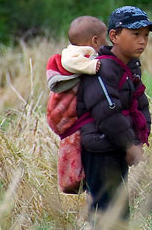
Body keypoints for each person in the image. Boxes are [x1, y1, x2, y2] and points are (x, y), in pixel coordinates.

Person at [76, 5, 152, 214]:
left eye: (146, 35)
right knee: (107, 215)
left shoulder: (131, 68)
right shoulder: (101, 69)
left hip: (115, 149)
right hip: (100, 151)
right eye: (135, 34)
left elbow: (141, 106)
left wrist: (137, 142)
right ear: (114, 36)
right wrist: (130, 144)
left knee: (118, 213)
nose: (143, 41)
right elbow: (108, 113)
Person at [45, 16, 108, 194]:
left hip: (75, 120)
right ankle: (74, 180)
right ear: (95, 40)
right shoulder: (76, 54)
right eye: (105, 40)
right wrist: (93, 66)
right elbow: (70, 63)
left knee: (74, 151)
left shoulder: (81, 52)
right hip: (71, 116)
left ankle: (77, 179)